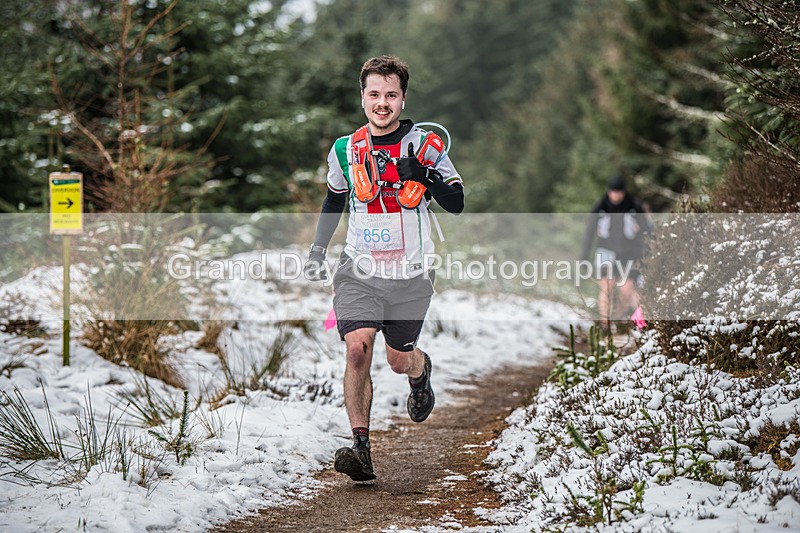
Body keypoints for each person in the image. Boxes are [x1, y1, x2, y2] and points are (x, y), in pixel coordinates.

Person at [303, 55, 464, 482]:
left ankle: (419, 369)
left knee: (397, 359)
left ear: (403, 98)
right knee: (357, 348)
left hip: (412, 274)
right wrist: (318, 248)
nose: (382, 103)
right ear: (362, 97)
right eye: (374, 94)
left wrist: (425, 177)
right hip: (359, 268)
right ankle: (360, 449)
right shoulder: (346, 149)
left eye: (390, 95)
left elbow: (457, 203)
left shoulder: (427, 146)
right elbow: (336, 198)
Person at [580, 175, 650, 331]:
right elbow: (589, 232)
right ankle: (605, 323)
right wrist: (584, 256)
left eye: (618, 192)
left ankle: (619, 317)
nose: (615, 195)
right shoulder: (600, 206)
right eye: (613, 191)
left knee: (627, 288)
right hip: (605, 251)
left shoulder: (634, 205)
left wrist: (645, 253)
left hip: (629, 253)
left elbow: (646, 231)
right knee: (606, 286)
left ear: (623, 192)